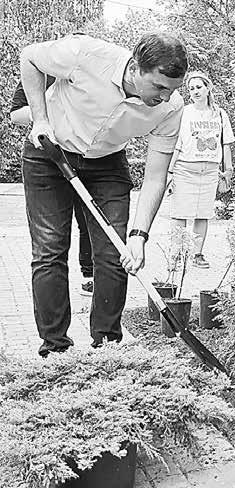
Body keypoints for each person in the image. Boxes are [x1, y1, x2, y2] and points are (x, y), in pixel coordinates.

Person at [19, 32, 187, 357]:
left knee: (115, 254)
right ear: (135, 68)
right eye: (159, 87)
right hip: (50, 152)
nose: (166, 97)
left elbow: (155, 176)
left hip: (107, 163)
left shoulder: (171, 108)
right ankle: (55, 352)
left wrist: (139, 235)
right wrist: (40, 119)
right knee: (50, 250)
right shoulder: (86, 54)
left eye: (173, 89)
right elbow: (29, 57)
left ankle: (107, 350)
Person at [10, 78, 95, 296]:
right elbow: (16, 115)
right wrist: (48, 110)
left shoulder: (89, 72)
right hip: (48, 158)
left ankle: (90, 275)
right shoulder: (39, 74)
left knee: (89, 220)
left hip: (88, 155)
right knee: (50, 242)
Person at [167, 71, 235, 268]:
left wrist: (228, 170)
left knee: (203, 214)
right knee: (180, 213)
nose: (195, 91)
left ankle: (197, 254)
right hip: (185, 170)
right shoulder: (185, 112)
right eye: (191, 89)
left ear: (208, 88)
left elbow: (226, 143)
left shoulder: (220, 114)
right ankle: (175, 255)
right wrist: (170, 172)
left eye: (198, 87)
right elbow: (177, 143)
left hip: (210, 171)